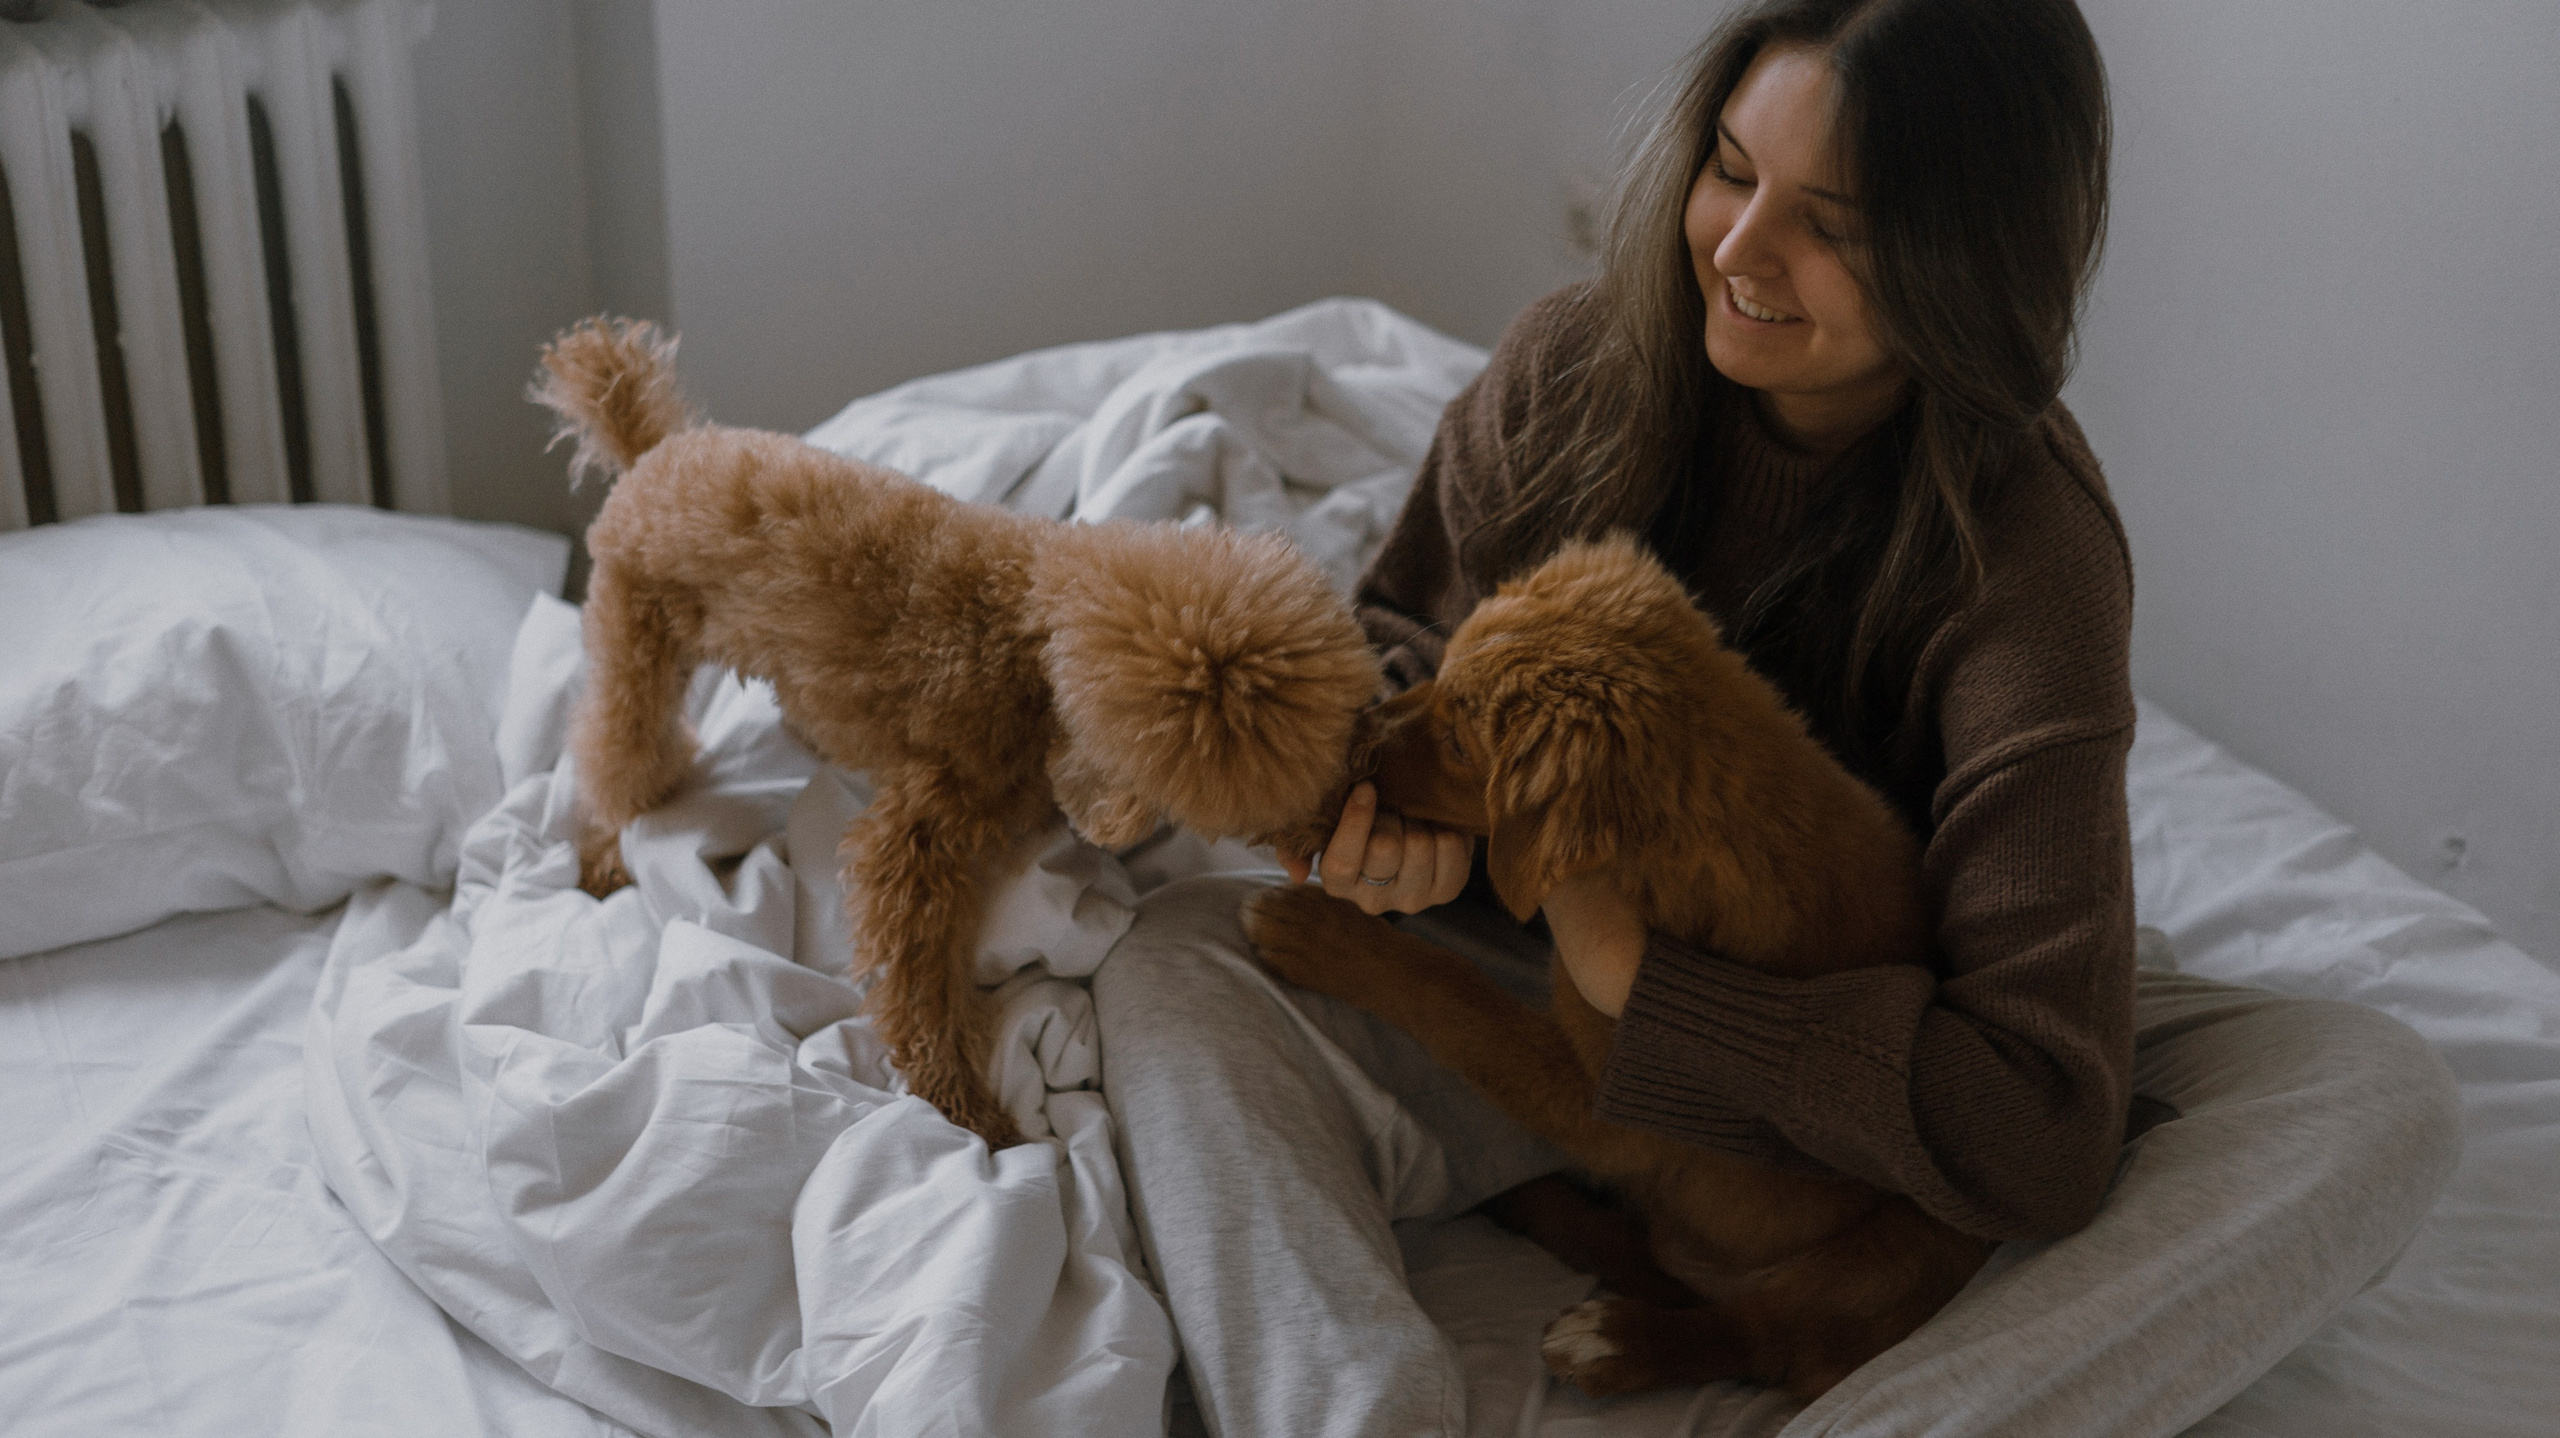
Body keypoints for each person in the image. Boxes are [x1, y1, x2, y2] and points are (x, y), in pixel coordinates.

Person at [1091, 2, 2461, 1435]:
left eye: (1837, 225)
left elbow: (2038, 1120)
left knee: (2367, 1094)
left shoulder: (2029, 555)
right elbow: (1397, 643)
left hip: (1859, 1042)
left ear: (1965, 261)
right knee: (1174, 955)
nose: (1739, 251)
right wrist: (1386, 827)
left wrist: (1651, 985)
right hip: (1524, 986)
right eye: (1732, 170)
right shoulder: (1572, 366)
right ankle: (1350, 1411)